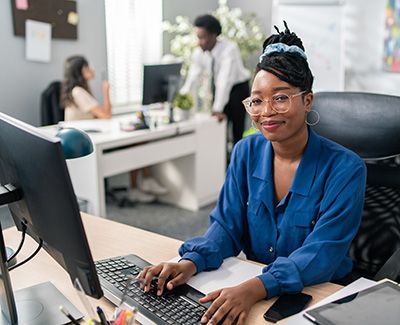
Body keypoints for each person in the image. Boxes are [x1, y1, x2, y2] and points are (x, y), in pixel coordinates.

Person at [138, 22, 367, 324]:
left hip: (318, 295)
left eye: (281, 97)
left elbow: (323, 252)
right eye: (256, 100)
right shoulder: (245, 152)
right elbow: (225, 226)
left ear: (307, 100)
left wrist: (254, 289)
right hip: (254, 286)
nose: (266, 111)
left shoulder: (346, 168)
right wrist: (190, 262)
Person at [61, 55, 167, 203]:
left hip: (89, 138)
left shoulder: (79, 91)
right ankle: (139, 185)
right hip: (84, 144)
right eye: (89, 67)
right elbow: (106, 115)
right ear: (82, 71)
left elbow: (99, 116)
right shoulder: (78, 91)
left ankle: (141, 184)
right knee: (136, 143)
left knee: (138, 142)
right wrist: (106, 91)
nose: (92, 69)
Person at [180, 14, 250, 147]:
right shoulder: (200, 52)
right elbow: (192, 76)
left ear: (214, 35)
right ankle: (222, 163)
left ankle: (238, 163)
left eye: (202, 38)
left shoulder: (229, 49)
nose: (199, 42)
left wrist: (217, 108)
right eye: (198, 37)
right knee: (218, 128)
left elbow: (225, 79)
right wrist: (182, 97)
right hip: (220, 88)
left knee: (236, 132)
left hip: (238, 89)